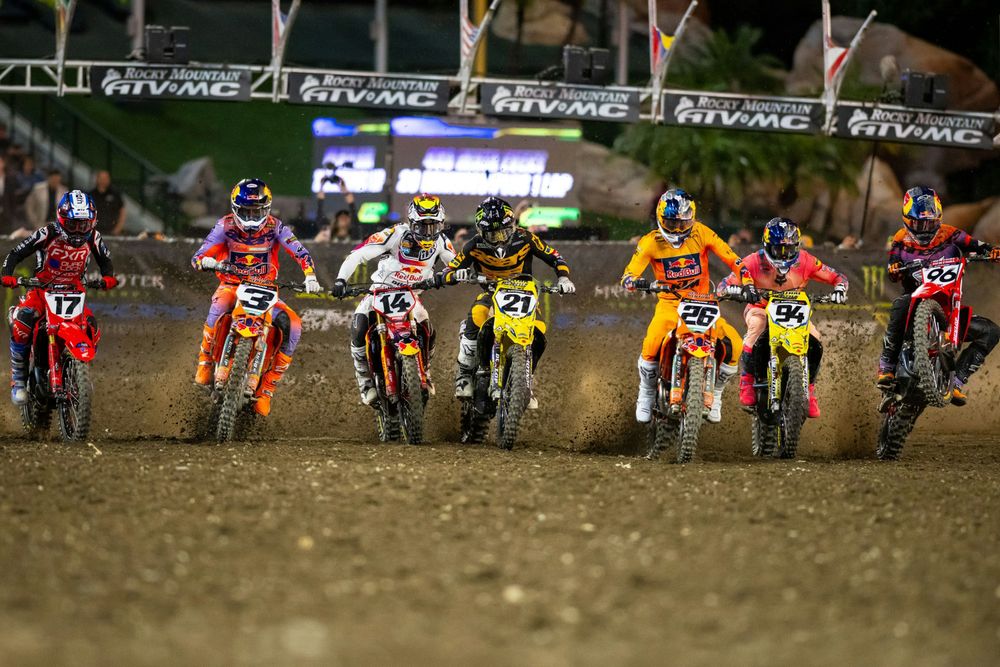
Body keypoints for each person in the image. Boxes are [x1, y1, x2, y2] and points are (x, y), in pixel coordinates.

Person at [620, 189, 754, 424]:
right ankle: (647, 392)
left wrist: (748, 283)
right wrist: (637, 282)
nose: (678, 229)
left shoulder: (701, 232)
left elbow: (732, 258)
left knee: (734, 344)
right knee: (652, 341)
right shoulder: (650, 241)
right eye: (672, 223)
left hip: (703, 302)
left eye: (683, 223)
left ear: (692, 218)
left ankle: (717, 393)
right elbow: (628, 275)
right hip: (670, 304)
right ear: (661, 219)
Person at [190, 178, 322, 416]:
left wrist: (310, 275)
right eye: (246, 212)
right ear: (235, 208)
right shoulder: (224, 226)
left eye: (257, 211)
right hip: (232, 285)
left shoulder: (276, 227)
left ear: (267, 208)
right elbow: (199, 255)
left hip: (266, 289)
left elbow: (299, 250)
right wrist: (206, 261)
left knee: (294, 325)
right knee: (219, 306)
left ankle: (267, 388)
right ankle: (205, 362)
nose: (251, 218)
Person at [435, 196, 575, 408]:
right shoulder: (474, 245)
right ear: (482, 231)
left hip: (524, 293)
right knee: (477, 315)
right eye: (494, 234)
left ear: (513, 225)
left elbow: (554, 256)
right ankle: (465, 372)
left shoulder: (525, 238)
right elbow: (450, 269)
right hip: (492, 292)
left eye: (505, 231)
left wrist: (563, 278)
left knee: (538, 329)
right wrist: (456, 274)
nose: (500, 239)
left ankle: (526, 381)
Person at [877, 186, 1000, 405]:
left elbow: (975, 245)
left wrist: (992, 251)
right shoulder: (900, 239)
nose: (925, 229)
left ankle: (957, 381)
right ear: (907, 220)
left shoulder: (951, 234)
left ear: (939, 219)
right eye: (919, 224)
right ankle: (886, 366)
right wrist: (894, 268)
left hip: (948, 306)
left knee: (991, 332)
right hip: (915, 301)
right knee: (900, 304)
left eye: (930, 223)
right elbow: (892, 266)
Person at [330, 194, 456, 405]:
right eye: (422, 226)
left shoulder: (442, 242)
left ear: (441, 224)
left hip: (411, 295)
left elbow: (456, 264)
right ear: (411, 223)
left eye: (433, 226)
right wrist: (341, 280)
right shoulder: (395, 234)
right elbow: (359, 254)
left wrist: (450, 275)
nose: (428, 233)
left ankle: (425, 371)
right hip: (380, 290)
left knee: (428, 329)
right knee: (359, 326)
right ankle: (365, 382)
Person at [718, 217, 848, 418]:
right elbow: (724, 285)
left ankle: (809, 390)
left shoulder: (805, 260)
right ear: (767, 246)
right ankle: (747, 382)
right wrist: (734, 290)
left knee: (814, 337)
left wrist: (840, 289)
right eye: (778, 249)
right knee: (756, 327)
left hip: (794, 310)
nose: (784, 254)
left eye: (789, 249)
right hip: (761, 307)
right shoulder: (753, 261)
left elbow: (837, 276)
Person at [0, 191, 117, 404]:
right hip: (42, 289)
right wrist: (7, 275)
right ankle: (18, 380)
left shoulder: (94, 236)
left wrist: (108, 277)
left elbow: (105, 261)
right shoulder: (47, 233)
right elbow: (16, 253)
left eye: (84, 225)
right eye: (73, 224)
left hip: (74, 292)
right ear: (62, 219)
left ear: (92, 222)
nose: (78, 230)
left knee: (91, 325)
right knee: (23, 320)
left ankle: (78, 369)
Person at [88, 170, 126, 236]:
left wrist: (118, 228)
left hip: (111, 231)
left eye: (105, 178)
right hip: (94, 232)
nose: (103, 180)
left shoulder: (115, 195)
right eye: (101, 178)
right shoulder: (90, 195)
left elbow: (122, 211)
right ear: (97, 179)